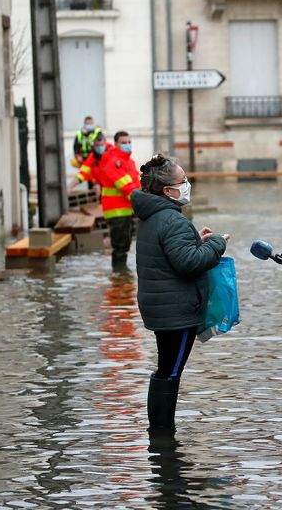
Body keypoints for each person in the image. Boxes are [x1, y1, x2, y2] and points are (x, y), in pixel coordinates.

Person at [131, 154, 229, 431]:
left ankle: (160, 435)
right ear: (167, 191)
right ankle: (162, 436)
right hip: (177, 311)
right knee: (170, 372)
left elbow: (172, 254)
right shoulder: (171, 219)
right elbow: (189, 263)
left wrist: (195, 240)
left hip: (161, 307)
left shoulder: (155, 216)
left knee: (167, 368)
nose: (187, 184)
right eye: (182, 181)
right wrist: (218, 244)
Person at [97, 130, 140, 271]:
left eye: (129, 142)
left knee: (125, 244)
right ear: (116, 144)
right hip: (116, 211)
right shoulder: (115, 163)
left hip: (125, 210)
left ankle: (121, 275)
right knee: (120, 246)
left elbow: (136, 184)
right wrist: (143, 200)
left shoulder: (128, 162)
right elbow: (126, 186)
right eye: (123, 143)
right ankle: (119, 274)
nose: (127, 145)